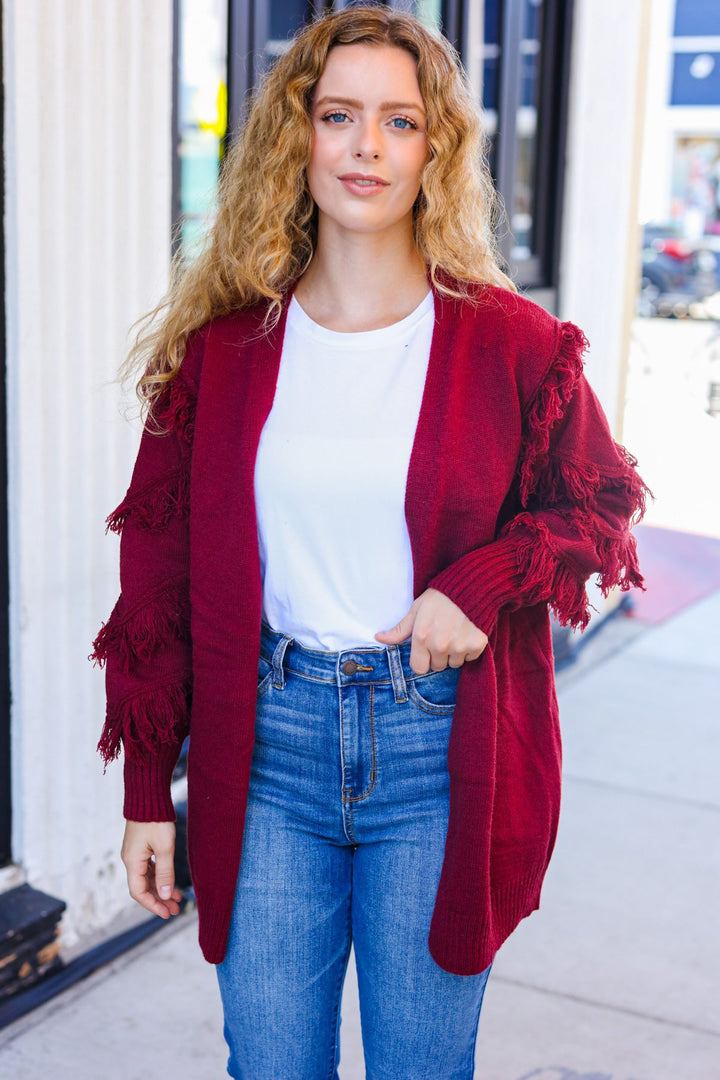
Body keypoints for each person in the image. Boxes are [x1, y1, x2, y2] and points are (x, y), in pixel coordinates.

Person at [91, 6, 648, 1078]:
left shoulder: (510, 343)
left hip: (438, 760)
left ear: (435, 149)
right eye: (338, 115)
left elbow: (603, 510)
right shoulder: (223, 352)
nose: (366, 147)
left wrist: (479, 584)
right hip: (267, 757)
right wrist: (143, 791)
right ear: (296, 138)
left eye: (399, 122)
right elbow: (154, 578)